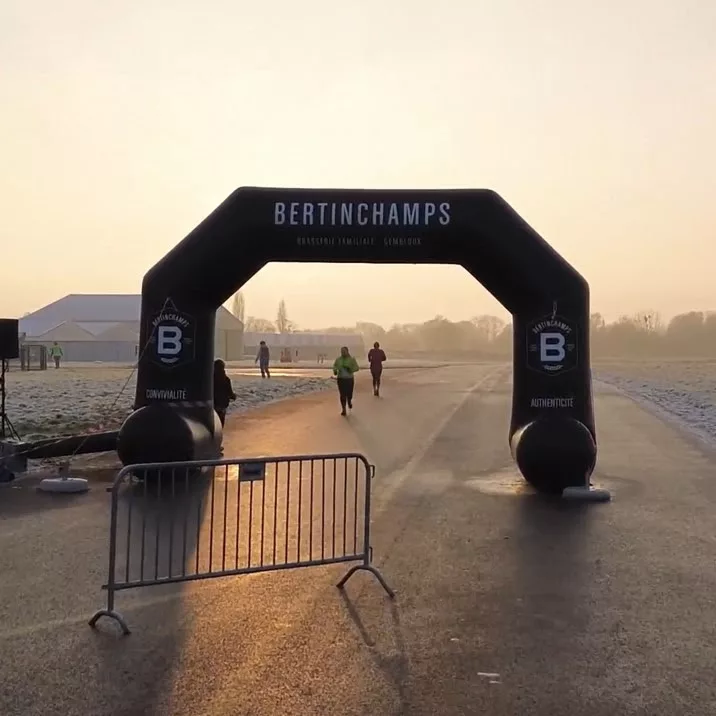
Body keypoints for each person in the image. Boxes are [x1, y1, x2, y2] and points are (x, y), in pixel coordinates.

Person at [332, 346, 359, 416]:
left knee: (349, 394)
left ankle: (349, 401)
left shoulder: (351, 359)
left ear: (347, 351)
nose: (343, 353)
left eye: (344, 351)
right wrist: (335, 370)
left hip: (349, 379)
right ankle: (343, 409)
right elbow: (335, 366)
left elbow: (357, 367)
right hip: (341, 379)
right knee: (342, 394)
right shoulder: (338, 359)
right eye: (342, 351)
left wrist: (351, 369)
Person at [213, 359, 236, 427]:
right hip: (223, 404)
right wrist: (233, 396)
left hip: (213, 403)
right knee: (221, 421)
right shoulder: (226, 379)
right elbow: (230, 392)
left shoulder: (211, 378)